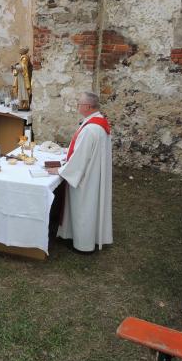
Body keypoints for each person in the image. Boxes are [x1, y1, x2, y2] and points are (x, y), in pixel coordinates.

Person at [46, 92, 112, 253]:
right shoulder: (99, 122)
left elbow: (80, 158)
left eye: (80, 104)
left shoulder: (91, 129)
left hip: (86, 177)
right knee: (88, 208)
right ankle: (80, 237)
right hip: (94, 173)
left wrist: (61, 170)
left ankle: (83, 246)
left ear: (88, 107)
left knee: (84, 209)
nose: (78, 106)